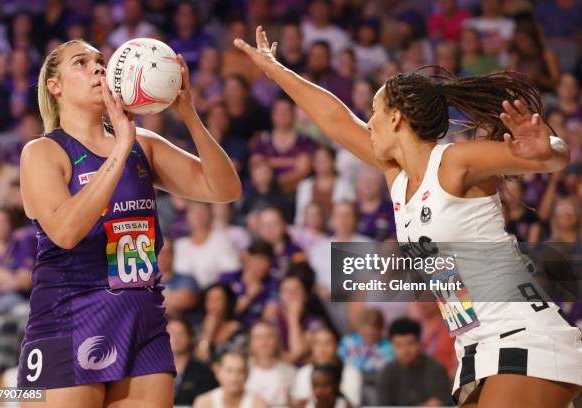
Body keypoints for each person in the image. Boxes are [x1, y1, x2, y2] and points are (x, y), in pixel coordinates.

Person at [235, 26, 581, 407]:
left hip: (521, 332)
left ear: (396, 117)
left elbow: (548, 157)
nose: (367, 124)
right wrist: (274, 69)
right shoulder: (397, 178)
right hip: (475, 342)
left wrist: (547, 148)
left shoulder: (453, 161)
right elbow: (334, 121)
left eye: (374, 113)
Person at [16, 39, 241, 407]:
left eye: (100, 61)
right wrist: (119, 148)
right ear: (54, 86)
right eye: (82, 63)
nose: (98, 68)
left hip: (142, 318)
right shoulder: (42, 152)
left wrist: (187, 112)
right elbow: (66, 232)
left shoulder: (143, 144)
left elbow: (225, 188)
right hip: (70, 317)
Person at [370, 318, 452, 406]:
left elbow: (444, 403)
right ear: (392, 346)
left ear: (419, 343)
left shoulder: (436, 369)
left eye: (410, 343)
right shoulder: (386, 373)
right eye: (399, 345)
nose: (405, 351)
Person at [292, 327, 362, 407]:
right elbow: (300, 403)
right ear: (311, 347)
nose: (322, 348)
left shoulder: (351, 372)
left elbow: (353, 404)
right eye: (317, 343)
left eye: (327, 343)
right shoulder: (303, 372)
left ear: (336, 346)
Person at [166, 317, 218, 406]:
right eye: (171, 333)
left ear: (190, 337)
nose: (175, 337)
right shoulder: (152, 369)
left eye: (180, 333)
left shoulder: (203, 371)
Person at [245, 320, 297, 406]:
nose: (264, 342)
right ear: (251, 343)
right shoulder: (242, 369)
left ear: (277, 341)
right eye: (258, 337)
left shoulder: (290, 372)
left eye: (269, 336)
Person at [193, 351, 268, 408]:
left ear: (247, 375)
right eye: (229, 371)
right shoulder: (203, 403)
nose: (234, 378)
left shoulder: (259, 404)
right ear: (218, 373)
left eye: (240, 371)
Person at [194, 283, 247, 364]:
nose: (213, 304)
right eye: (209, 299)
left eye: (218, 299)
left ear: (228, 302)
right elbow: (198, 360)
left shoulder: (240, 331)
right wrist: (208, 334)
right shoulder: (197, 329)